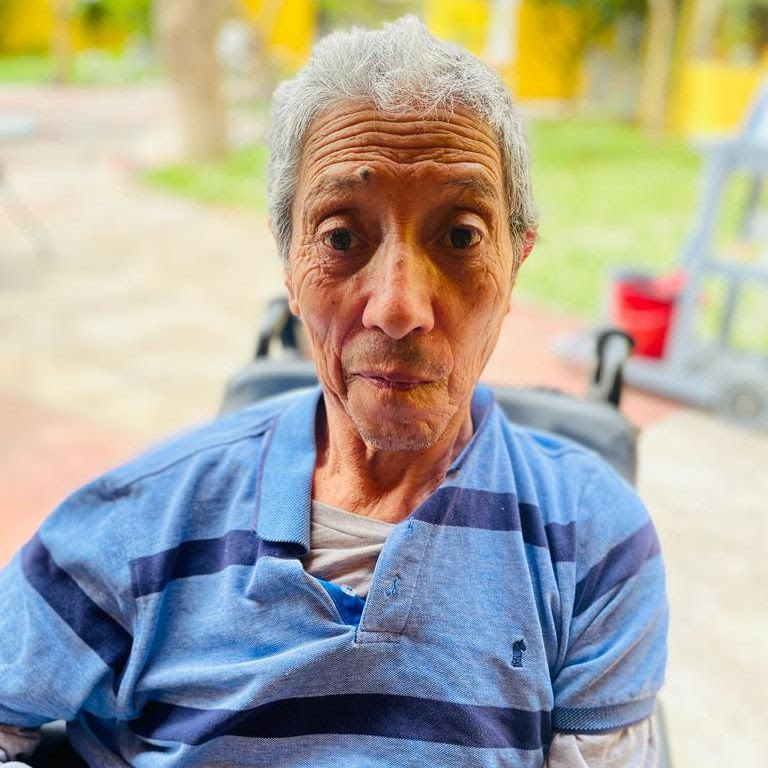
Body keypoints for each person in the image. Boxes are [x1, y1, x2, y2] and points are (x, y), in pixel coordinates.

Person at [0, 16, 667, 768]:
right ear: (289, 263)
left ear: (517, 262)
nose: (399, 307)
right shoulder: (134, 522)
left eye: (461, 236)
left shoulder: (594, 545)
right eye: (342, 237)